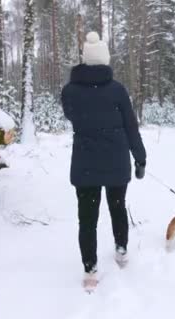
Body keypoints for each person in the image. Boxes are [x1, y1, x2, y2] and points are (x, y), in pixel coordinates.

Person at [60, 31, 147, 288]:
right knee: (117, 208)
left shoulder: (70, 91)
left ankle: (90, 271)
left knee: (87, 218)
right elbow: (131, 126)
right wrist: (140, 159)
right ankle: (121, 251)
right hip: (116, 163)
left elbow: (71, 116)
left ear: (85, 60)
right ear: (106, 59)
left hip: (85, 166)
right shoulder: (118, 91)